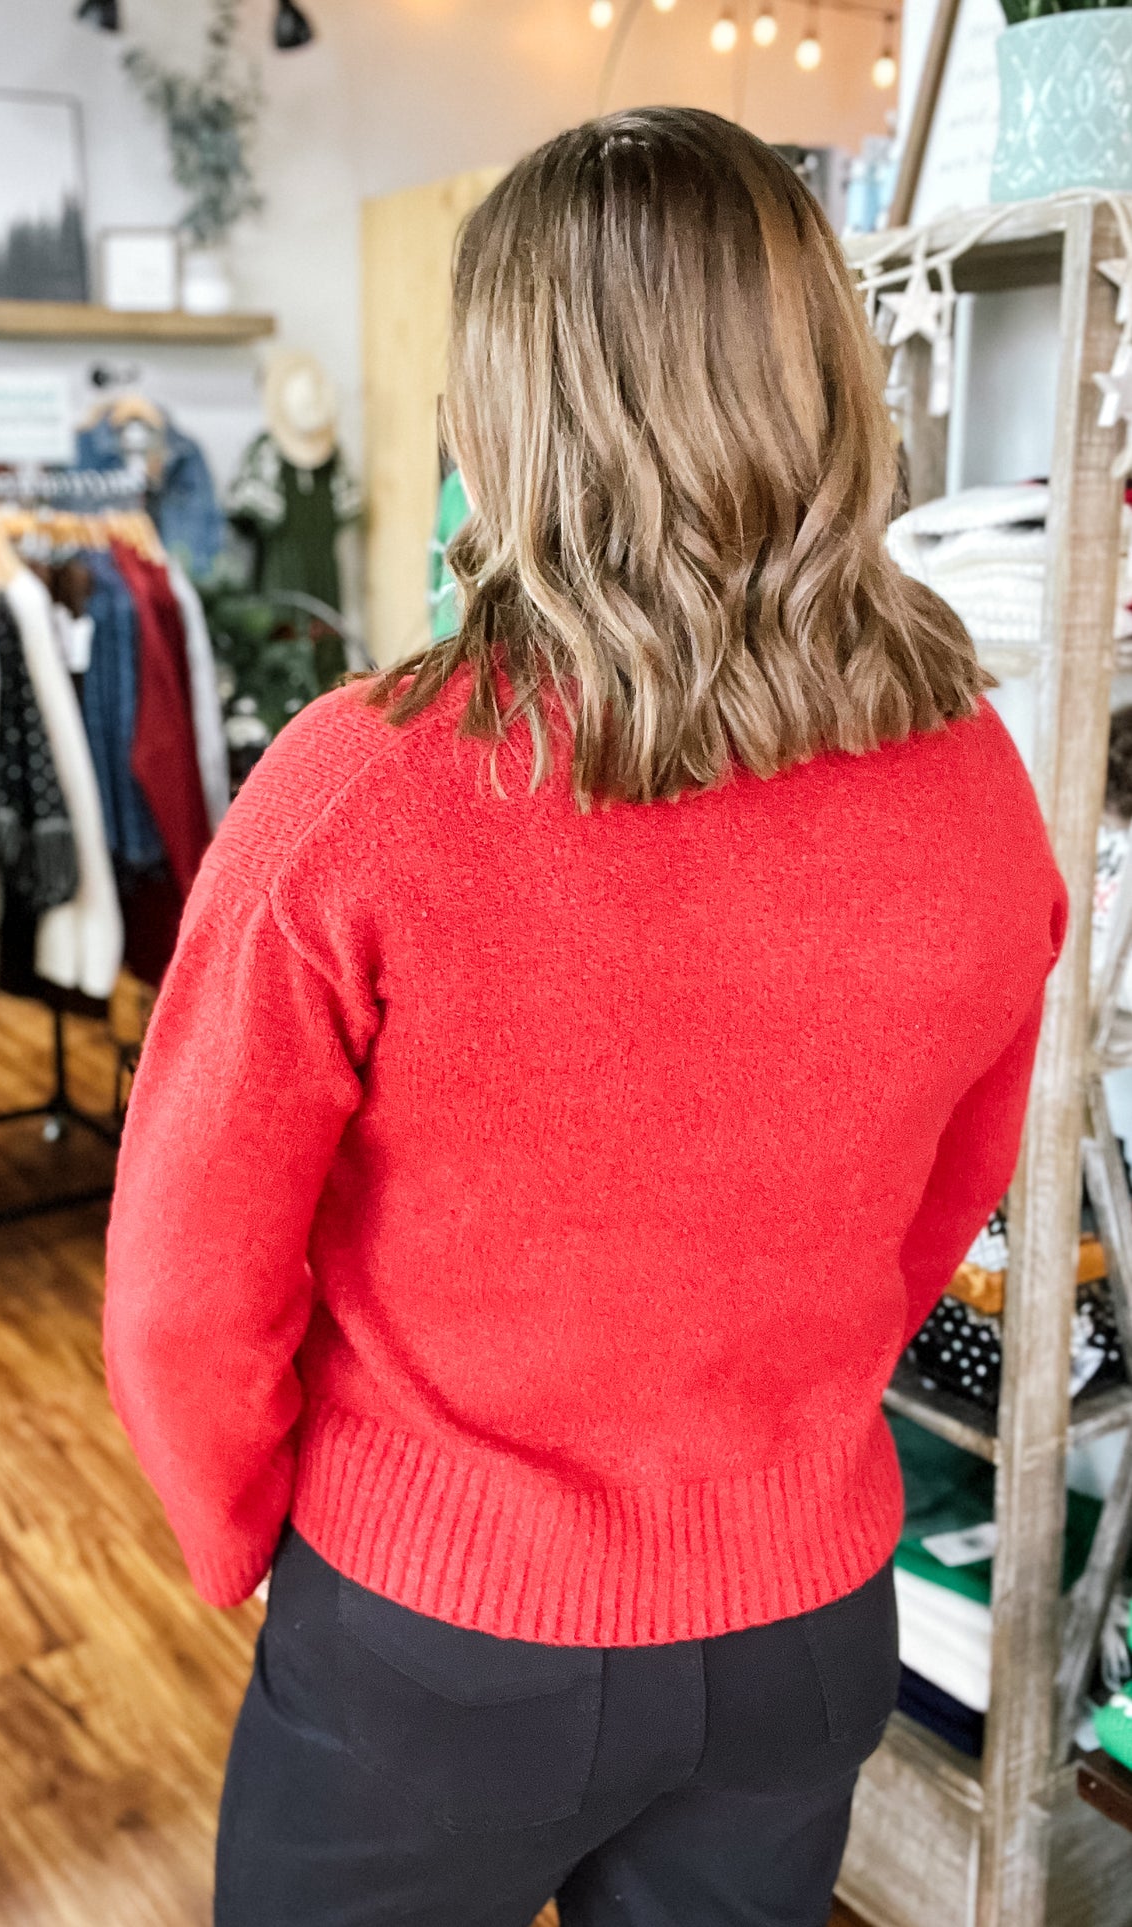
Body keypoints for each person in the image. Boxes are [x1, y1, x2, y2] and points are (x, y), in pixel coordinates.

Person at [103, 108, 1067, 1927]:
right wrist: (778, 1410)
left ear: (506, 411)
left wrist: (250, 1537)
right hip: (799, 1617)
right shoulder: (969, 777)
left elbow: (182, 1281)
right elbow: (952, 1189)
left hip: (428, 1640)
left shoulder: (362, 785)